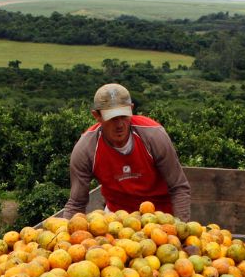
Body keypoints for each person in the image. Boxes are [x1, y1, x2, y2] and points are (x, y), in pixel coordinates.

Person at [58, 83, 192, 221]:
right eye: (112, 118)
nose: (120, 124)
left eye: (124, 116)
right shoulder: (86, 149)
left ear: (131, 109)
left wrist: (180, 226)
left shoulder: (153, 135)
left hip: (160, 216)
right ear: (97, 115)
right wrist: (65, 230)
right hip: (117, 219)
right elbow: (76, 203)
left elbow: (178, 187)